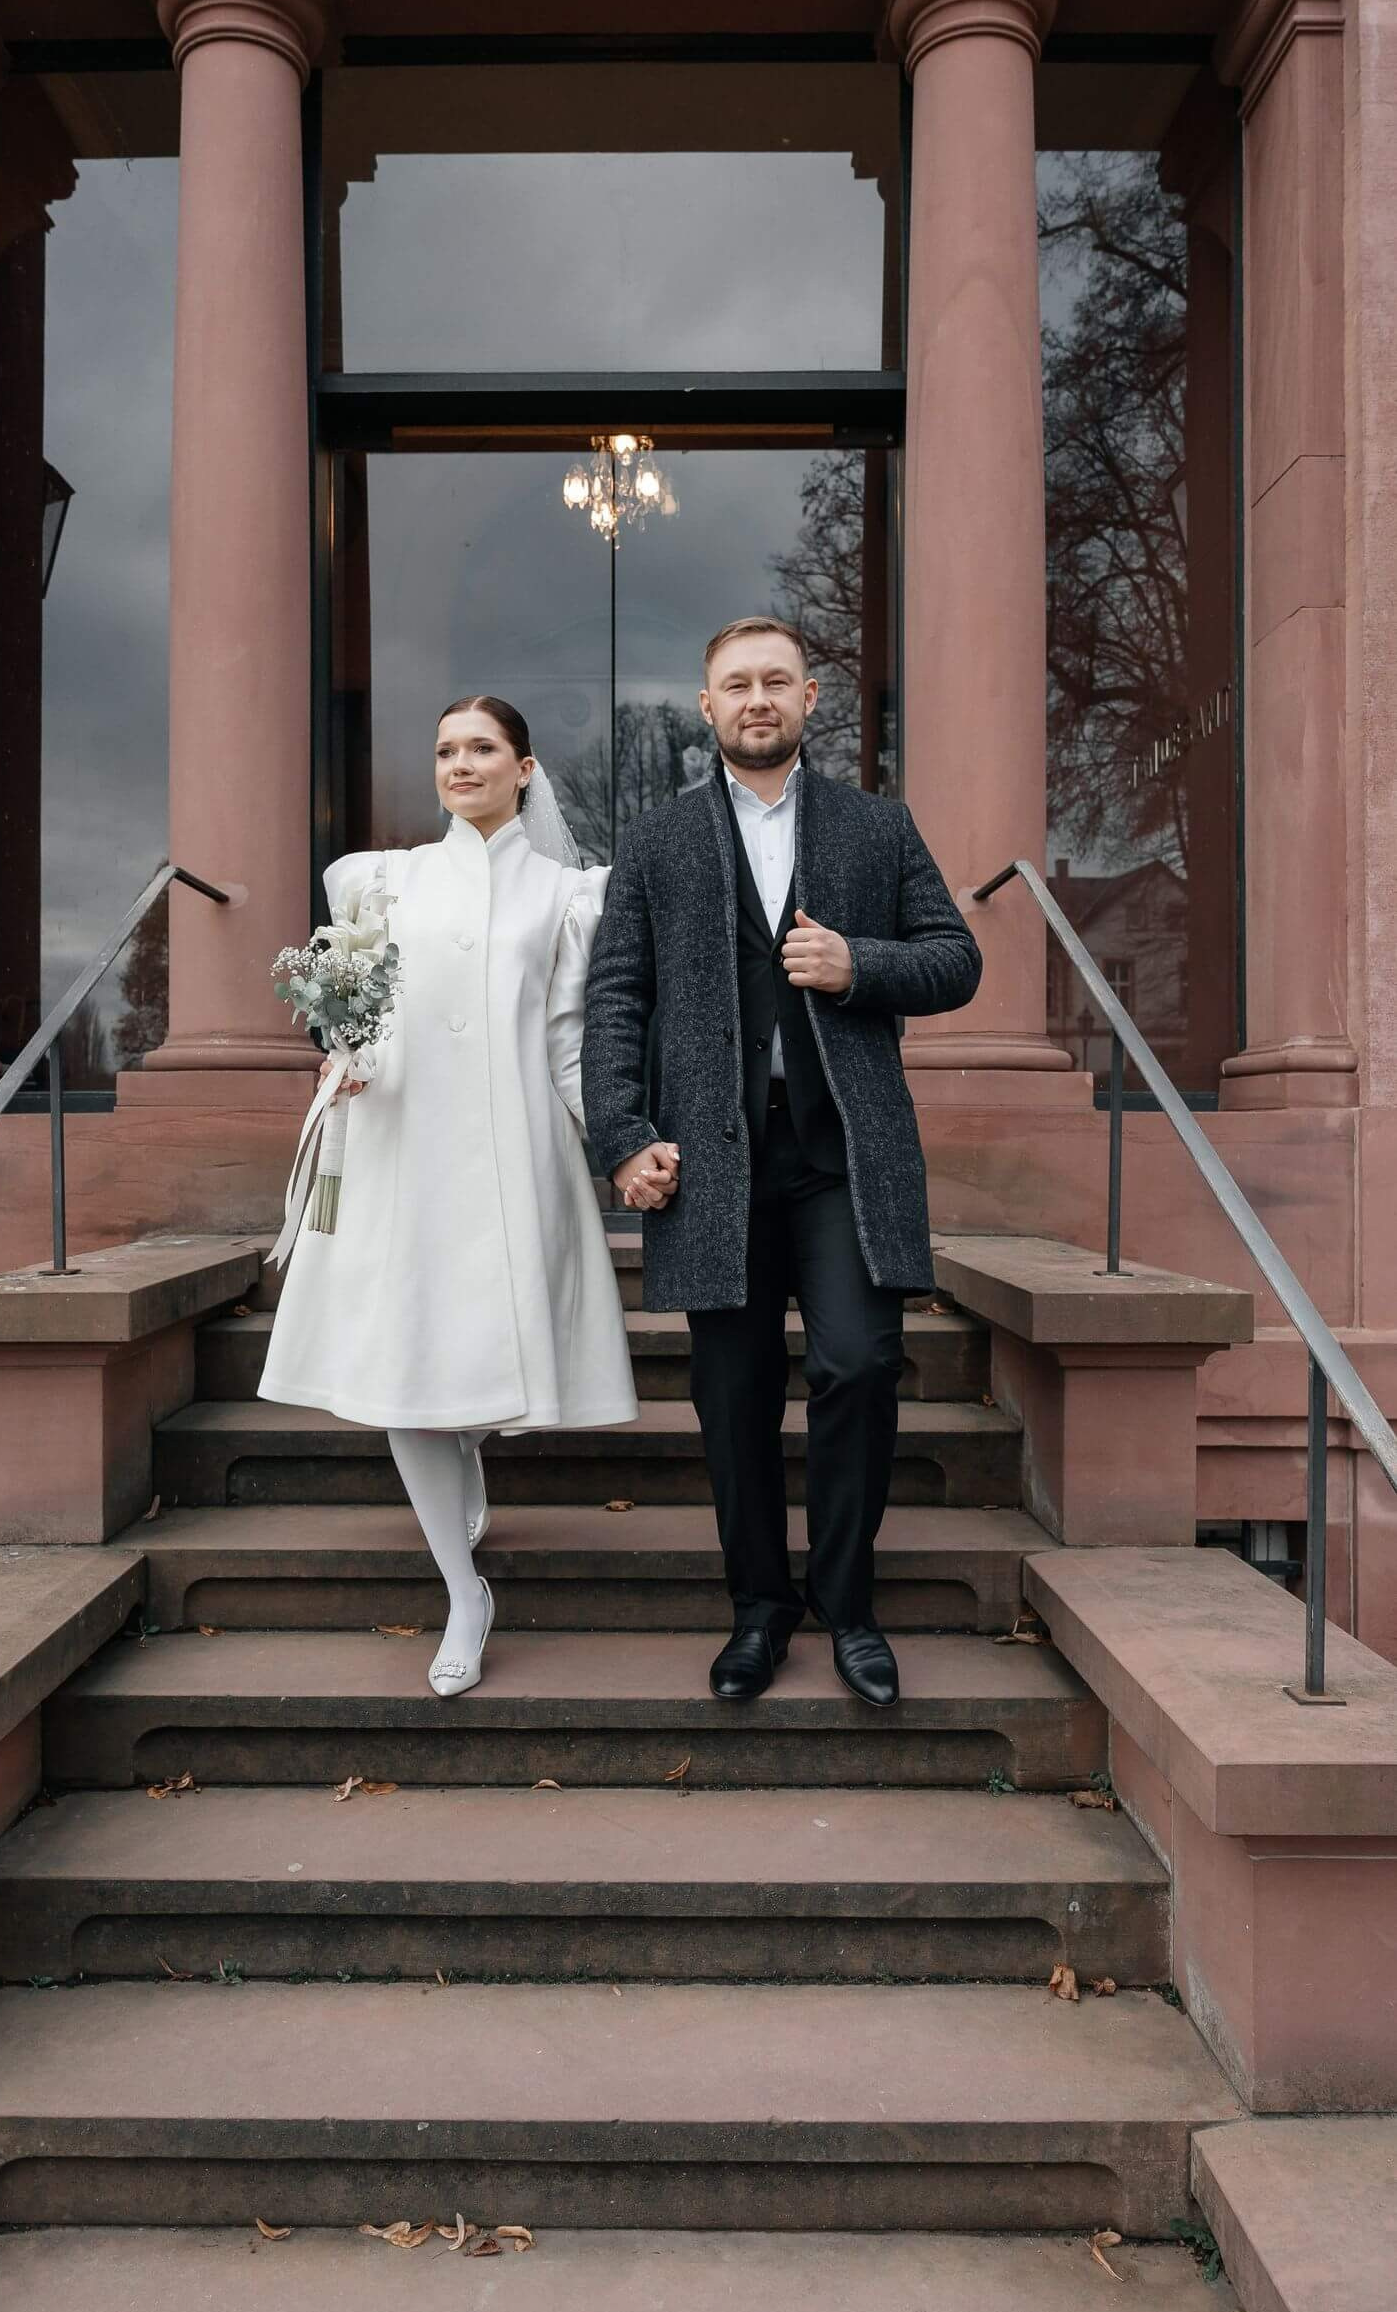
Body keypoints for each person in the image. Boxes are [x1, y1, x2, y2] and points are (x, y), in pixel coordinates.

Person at [582, 617, 981, 1710]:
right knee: (733, 1391)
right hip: (712, 1162)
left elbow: (956, 959)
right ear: (704, 709)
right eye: (732, 685)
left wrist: (860, 964)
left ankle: (847, 1607)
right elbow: (616, 996)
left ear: (811, 698)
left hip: (842, 1153)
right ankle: (757, 1609)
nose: (755, 699)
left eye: (774, 681)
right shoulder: (656, 839)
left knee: (856, 1364)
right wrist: (619, 1137)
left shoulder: (876, 827)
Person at [259, 695, 637, 1696]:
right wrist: (346, 1053)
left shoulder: (564, 896)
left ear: (523, 767)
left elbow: (564, 1040)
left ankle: (467, 1454)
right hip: (400, 1154)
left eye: (480, 749)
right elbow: (357, 1011)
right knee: (408, 1371)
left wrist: (618, 1146)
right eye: (444, 750)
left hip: (513, 1151)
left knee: (469, 1366)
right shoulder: (380, 881)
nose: (459, 764)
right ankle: (462, 1590)